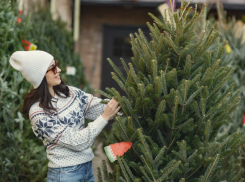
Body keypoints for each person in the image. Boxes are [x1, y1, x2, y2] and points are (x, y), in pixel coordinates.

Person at [9, 50, 121, 182]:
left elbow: (99, 107)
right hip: (65, 175)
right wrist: (104, 118)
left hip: (87, 169)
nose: (59, 70)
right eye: (53, 68)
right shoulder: (38, 113)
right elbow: (78, 142)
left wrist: (130, 106)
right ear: (41, 75)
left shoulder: (69, 92)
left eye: (56, 64)